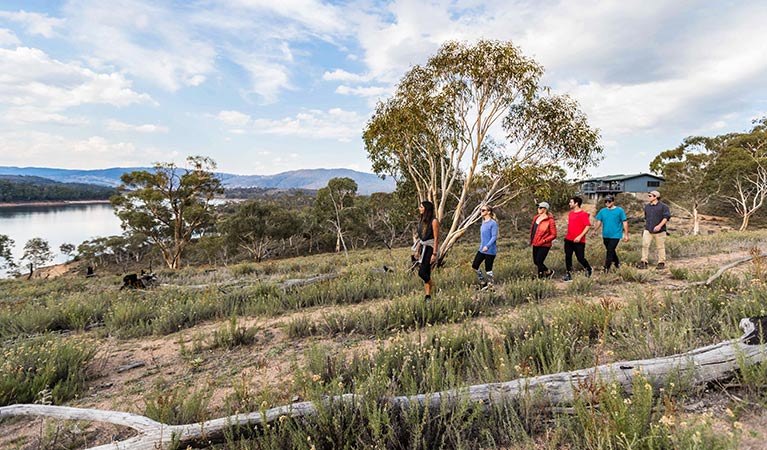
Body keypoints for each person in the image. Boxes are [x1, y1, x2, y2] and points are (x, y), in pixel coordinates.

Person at [591, 195, 629, 272]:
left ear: (613, 202)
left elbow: (625, 222)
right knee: (610, 250)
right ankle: (617, 264)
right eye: (606, 201)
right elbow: (599, 222)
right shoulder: (602, 211)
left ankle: (606, 268)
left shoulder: (619, 210)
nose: (607, 203)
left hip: (616, 235)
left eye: (609, 201)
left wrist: (626, 235)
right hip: (606, 234)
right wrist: (594, 230)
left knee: (610, 250)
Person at [413, 200, 439, 300]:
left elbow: (436, 238)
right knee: (426, 273)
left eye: (421, 207)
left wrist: (434, 253)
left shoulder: (434, 221)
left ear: (426, 209)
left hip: (431, 247)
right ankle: (428, 296)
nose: (419, 208)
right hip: (423, 246)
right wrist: (417, 251)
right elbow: (421, 238)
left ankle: (436, 289)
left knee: (422, 273)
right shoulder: (422, 221)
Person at [562, 196, 592, 281]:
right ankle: (569, 274)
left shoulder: (583, 214)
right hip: (568, 239)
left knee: (580, 258)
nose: (569, 204)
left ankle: (588, 268)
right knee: (568, 257)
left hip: (579, 240)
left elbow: (587, 226)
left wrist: (580, 236)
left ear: (576, 203)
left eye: (571, 202)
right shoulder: (570, 213)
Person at [639, 190, 671, 270]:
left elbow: (666, 217)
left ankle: (661, 262)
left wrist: (659, 226)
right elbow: (646, 217)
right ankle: (644, 262)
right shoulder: (647, 207)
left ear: (655, 197)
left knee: (660, 247)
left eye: (650, 196)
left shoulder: (664, 206)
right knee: (645, 245)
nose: (648, 197)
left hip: (660, 231)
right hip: (648, 229)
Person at [472, 204, 498, 288]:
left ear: (488, 212)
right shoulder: (483, 222)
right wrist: (483, 246)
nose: (481, 212)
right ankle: (483, 281)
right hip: (481, 249)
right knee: (475, 265)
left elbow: (494, 236)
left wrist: (487, 246)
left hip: (490, 250)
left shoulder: (493, 223)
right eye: (481, 210)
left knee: (488, 269)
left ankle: (491, 285)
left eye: (483, 210)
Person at [530, 201, 556, 279]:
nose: (538, 209)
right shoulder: (536, 217)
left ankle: (540, 278)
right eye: (538, 207)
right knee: (536, 261)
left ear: (545, 209)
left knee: (539, 261)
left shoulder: (550, 220)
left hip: (544, 244)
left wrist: (544, 240)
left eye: (540, 207)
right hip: (535, 242)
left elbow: (554, 234)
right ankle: (548, 272)